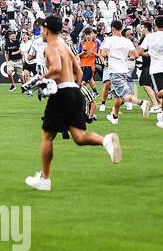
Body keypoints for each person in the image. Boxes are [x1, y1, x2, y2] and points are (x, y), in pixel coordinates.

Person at [25, 15, 122, 192]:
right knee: (79, 137)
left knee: (47, 136)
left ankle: (45, 180)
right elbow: (77, 71)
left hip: (62, 92)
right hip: (74, 91)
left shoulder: (51, 47)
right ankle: (106, 140)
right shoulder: (65, 46)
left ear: (46, 30)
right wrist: (73, 89)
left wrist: (40, 78)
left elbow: (55, 68)